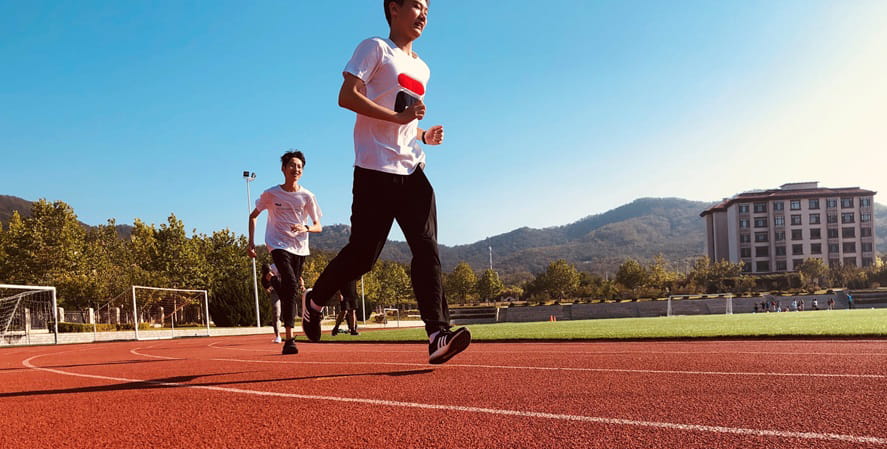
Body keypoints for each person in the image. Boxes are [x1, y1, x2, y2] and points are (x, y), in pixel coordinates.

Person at [300, 0, 470, 365]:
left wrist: (422, 134)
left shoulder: (422, 67)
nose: (423, 14)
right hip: (374, 169)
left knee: (427, 249)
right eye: (416, 5)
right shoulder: (375, 47)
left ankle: (437, 334)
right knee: (362, 257)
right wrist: (399, 117)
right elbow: (347, 97)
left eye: (427, 8)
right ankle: (314, 300)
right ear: (393, 8)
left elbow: (404, 121)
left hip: (412, 170)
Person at [248, 150, 322, 355]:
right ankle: (290, 339)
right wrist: (251, 242)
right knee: (290, 283)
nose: (296, 169)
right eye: (292, 165)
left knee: (292, 289)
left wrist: (305, 228)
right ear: (283, 168)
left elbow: (318, 226)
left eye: (299, 166)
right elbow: (253, 216)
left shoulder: (307, 196)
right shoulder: (271, 193)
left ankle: (272, 281)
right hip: (277, 244)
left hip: (300, 247)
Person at [261, 263, 283, 343]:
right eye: (267, 276)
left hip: (285, 288)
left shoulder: (279, 267)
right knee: (276, 312)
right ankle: (278, 336)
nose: (268, 277)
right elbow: (267, 289)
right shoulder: (264, 280)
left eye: (270, 275)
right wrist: (269, 289)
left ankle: (289, 334)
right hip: (275, 292)